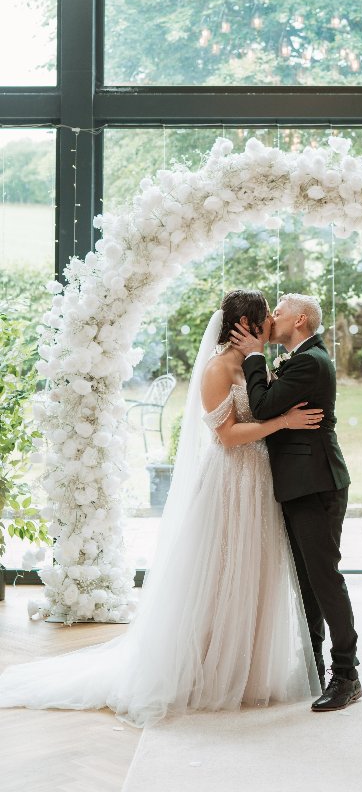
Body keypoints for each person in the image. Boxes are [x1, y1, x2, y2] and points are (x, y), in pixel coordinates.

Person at [0, 290, 321, 727]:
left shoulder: (253, 362)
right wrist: (282, 423)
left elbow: (261, 403)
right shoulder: (216, 369)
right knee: (222, 571)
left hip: (259, 478)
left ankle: (247, 672)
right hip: (230, 479)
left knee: (254, 570)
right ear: (245, 325)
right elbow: (226, 437)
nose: (271, 322)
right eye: (265, 316)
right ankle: (211, 668)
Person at [230, 292, 361, 712]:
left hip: (316, 483)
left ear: (300, 320)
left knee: (324, 579)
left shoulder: (309, 361)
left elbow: (262, 405)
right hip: (299, 483)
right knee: (307, 581)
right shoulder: (301, 357)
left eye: (279, 311)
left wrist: (253, 355)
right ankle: (313, 665)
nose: (272, 317)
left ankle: (347, 675)